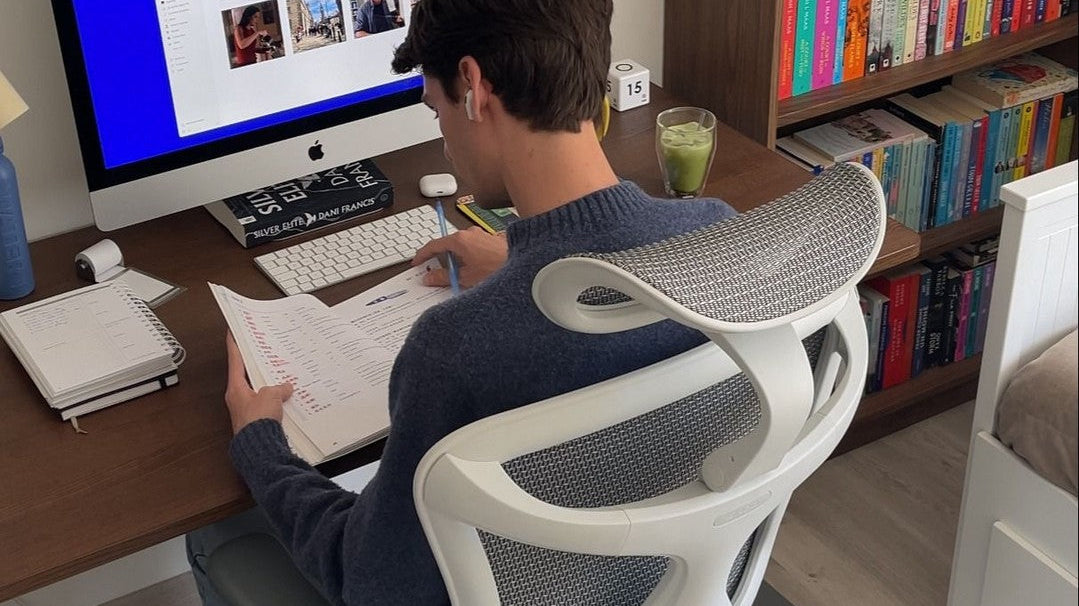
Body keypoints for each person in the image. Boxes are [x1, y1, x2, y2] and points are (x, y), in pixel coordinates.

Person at [186, 1, 738, 605]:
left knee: (214, 532)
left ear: (474, 88)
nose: (443, 139)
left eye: (435, 108)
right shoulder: (720, 239)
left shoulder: (455, 347)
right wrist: (528, 263)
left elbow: (370, 582)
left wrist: (260, 444)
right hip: (678, 581)